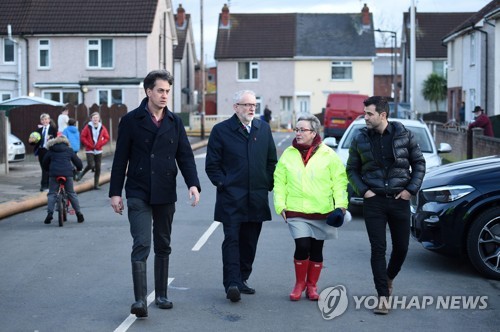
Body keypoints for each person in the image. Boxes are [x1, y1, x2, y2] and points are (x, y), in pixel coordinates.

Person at [109, 70, 201, 318]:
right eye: (160, 90)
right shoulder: (131, 120)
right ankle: (140, 300)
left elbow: (185, 155)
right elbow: (120, 159)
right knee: (141, 243)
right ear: (148, 91)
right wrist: (115, 192)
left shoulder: (174, 122)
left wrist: (193, 183)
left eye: (168, 91)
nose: (165, 95)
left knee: (163, 243)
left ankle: (161, 295)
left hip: (165, 190)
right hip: (138, 189)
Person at [346, 96, 425, 315]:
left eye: (369, 114)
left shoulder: (405, 135)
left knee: (401, 248)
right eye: (365, 113)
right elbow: (351, 169)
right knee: (378, 249)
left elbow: (419, 163)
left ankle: (389, 277)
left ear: (383, 115)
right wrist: (365, 191)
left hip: (400, 200)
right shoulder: (360, 138)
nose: (365, 117)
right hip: (374, 201)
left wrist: (410, 190)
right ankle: (383, 296)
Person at [205, 90, 277, 303]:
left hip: (257, 197)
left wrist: (267, 183)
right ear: (235, 107)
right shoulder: (221, 131)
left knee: (250, 242)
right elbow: (212, 165)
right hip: (231, 199)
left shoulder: (263, 129)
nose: (251, 108)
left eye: (254, 104)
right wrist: (224, 184)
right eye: (246, 105)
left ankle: (242, 278)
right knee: (232, 240)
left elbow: (271, 161)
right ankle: (232, 284)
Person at [273, 114, 349, 302]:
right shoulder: (288, 154)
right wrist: (280, 204)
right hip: (296, 210)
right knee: (302, 245)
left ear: (313, 132)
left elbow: (339, 181)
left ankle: (312, 286)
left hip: (322, 211)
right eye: (296, 129)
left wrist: (340, 206)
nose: (298, 133)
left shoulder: (328, 154)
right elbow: (279, 180)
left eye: (302, 130)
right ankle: (299, 284)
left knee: (316, 249)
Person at [42, 135, 84, 224]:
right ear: (66, 142)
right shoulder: (69, 150)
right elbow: (78, 162)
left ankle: (50, 213)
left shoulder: (51, 150)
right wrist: (79, 168)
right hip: (67, 174)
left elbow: (44, 162)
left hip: (54, 174)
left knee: (52, 193)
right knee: (71, 193)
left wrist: (47, 170)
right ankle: (79, 214)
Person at [75, 112, 110, 189]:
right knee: (91, 165)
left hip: (98, 150)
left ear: (99, 119)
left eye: (97, 118)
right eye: (94, 118)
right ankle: (81, 174)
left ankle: (96, 184)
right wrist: (89, 144)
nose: (95, 119)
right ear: (91, 119)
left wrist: (100, 144)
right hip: (89, 149)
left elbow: (107, 137)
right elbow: (83, 137)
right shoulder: (88, 127)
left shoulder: (102, 127)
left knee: (98, 167)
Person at [29, 113, 57, 191]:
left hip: (48, 150)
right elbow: (34, 141)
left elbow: (56, 139)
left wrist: (51, 139)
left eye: (46, 119)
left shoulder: (53, 129)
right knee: (43, 168)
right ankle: (46, 185)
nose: (44, 121)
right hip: (41, 151)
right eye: (43, 119)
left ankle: (44, 186)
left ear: (49, 120)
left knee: (46, 168)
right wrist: (31, 141)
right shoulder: (39, 130)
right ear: (41, 121)